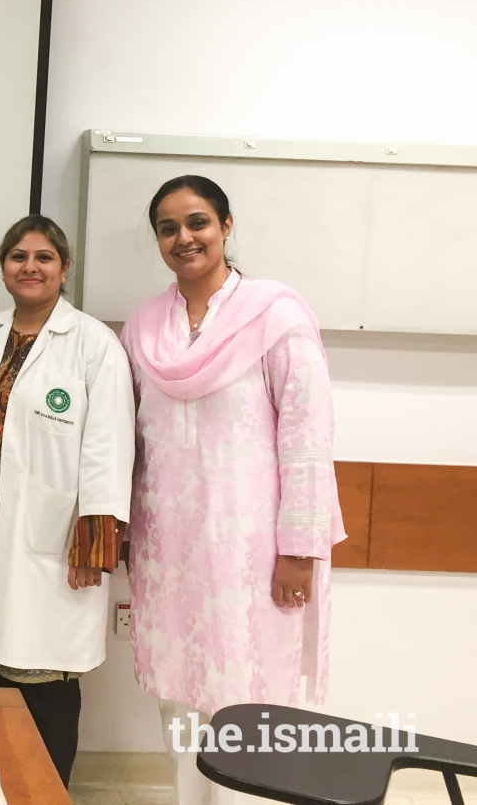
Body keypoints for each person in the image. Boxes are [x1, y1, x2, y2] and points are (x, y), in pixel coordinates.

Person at [120, 176, 344, 805]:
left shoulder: (276, 315)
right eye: (168, 228)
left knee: (248, 697)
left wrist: (299, 547)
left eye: (197, 222)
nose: (184, 238)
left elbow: (306, 437)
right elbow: (130, 440)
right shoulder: (142, 328)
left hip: (252, 553)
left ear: (226, 225)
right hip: (170, 550)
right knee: (181, 698)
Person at [0, 215, 134, 783]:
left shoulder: (94, 344)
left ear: (64, 268)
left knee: (45, 674)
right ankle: (12, 786)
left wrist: (94, 545)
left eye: (44, 257)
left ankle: (48, 791)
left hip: (56, 534)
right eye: (18, 256)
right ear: (3, 269)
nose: (30, 267)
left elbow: (109, 448)